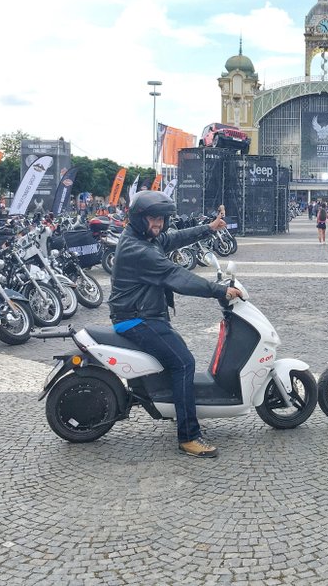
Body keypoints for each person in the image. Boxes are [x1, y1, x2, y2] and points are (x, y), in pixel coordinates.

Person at [108, 190, 243, 458]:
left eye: (161, 218)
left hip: (145, 315)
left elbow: (175, 238)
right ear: (138, 218)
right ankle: (189, 437)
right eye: (152, 218)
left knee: (177, 358)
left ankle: (177, 407)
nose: (158, 224)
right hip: (136, 319)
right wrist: (219, 290)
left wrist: (210, 228)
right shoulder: (139, 249)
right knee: (184, 363)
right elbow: (177, 276)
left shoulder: (145, 238)